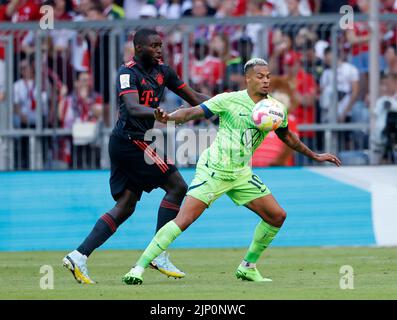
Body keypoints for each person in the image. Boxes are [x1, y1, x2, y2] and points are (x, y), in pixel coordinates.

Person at [121, 58, 341, 285]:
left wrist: (315, 155)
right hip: (214, 170)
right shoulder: (228, 100)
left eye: (267, 76)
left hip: (241, 174)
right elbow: (191, 113)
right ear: (248, 79)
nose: (265, 80)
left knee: (277, 216)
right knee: (184, 220)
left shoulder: (274, 109)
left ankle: (248, 267)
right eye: (260, 76)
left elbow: (287, 137)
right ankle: (138, 268)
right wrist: (167, 117)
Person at [62, 28, 209, 284]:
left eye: (161, 45)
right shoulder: (126, 73)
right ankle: (158, 253)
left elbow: (194, 98)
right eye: (154, 45)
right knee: (177, 186)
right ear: (138, 48)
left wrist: (228, 102)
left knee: (126, 206)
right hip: (130, 142)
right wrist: (156, 114)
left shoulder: (164, 72)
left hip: (131, 142)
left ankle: (79, 255)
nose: (159, 49)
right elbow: (131, 106)